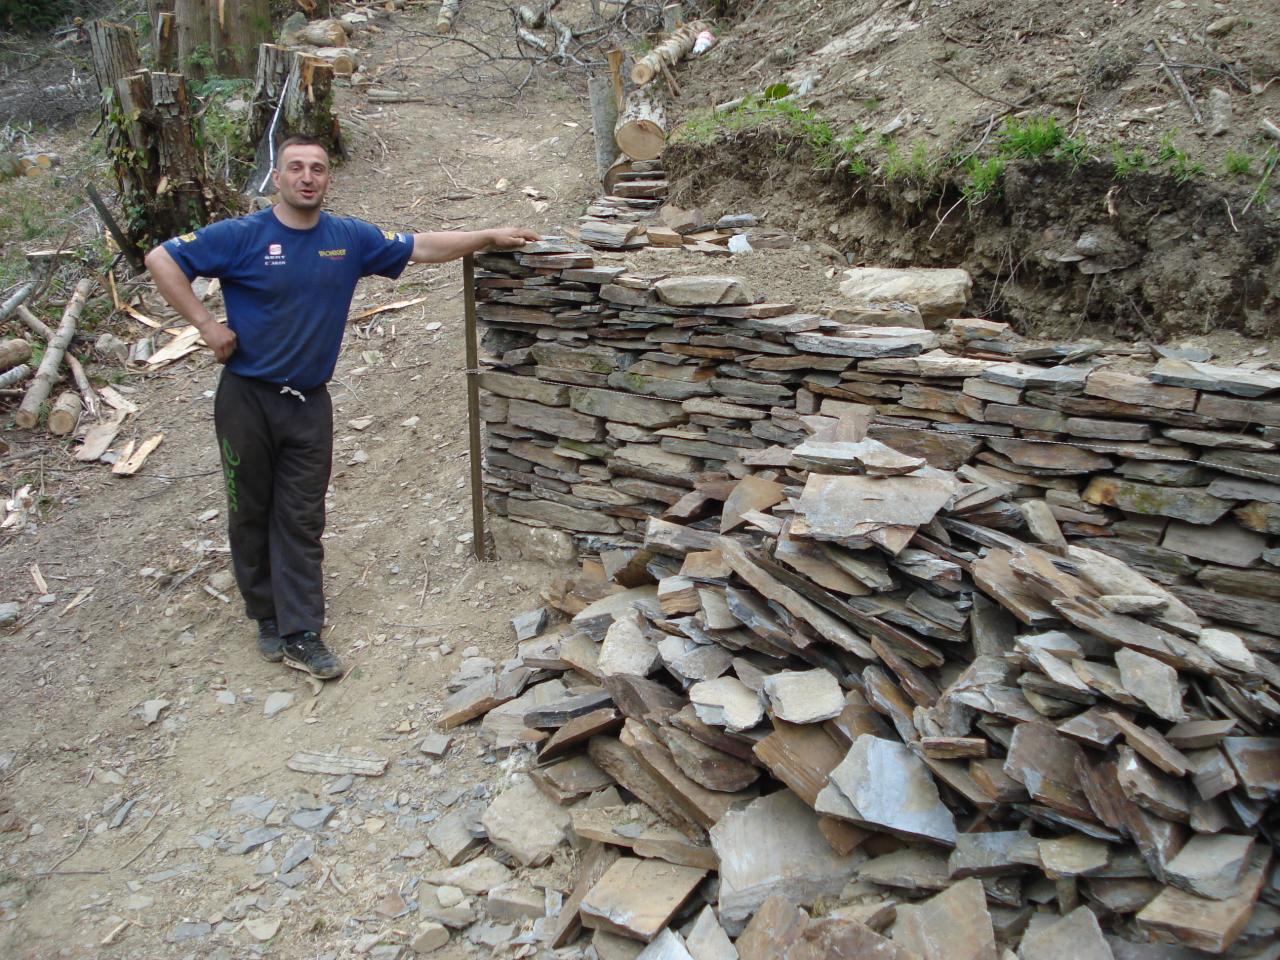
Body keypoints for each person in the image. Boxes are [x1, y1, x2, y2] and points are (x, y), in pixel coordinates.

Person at [145, 135, 539, 680]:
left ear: (328, 180)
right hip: (246, 399)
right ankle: (265, 614)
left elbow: (420, 246)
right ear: (277, 178)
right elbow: (161, 257)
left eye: (319, 169)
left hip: (309, 402)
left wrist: (487, 236)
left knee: (302, 517)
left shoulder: (347, 238)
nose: (308, 177)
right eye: (296, 168)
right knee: (249, 510)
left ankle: (302, 631)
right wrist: (207, 326)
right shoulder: (241, 236)